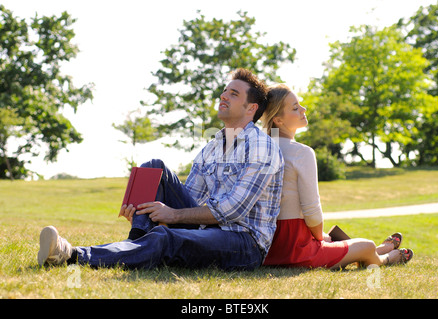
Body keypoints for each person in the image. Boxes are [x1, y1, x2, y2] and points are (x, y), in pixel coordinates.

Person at [37, 68, 285, 271]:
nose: (223, 96)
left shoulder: (262, 146)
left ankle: (70, 255)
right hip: (208, 230)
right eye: (224, 91)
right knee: (155, 168)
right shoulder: (212, 146)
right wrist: (143, 214)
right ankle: (136, 240)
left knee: (165, 238)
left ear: (251, 108)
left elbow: (233, 210)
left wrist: (174, 217)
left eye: (233, 94)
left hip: (243, 243)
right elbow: (192, 198)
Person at [260, 84, 413, 269]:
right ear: (278, 120)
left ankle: (380, 249)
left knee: (332, 238)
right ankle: (387, 257)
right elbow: (312, 212)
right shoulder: (301, 152)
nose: (303, 109)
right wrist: (319, 236)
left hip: (268, 248)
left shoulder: (259, 150)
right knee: (366, 246)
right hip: (296, 251)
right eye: (295, 108)